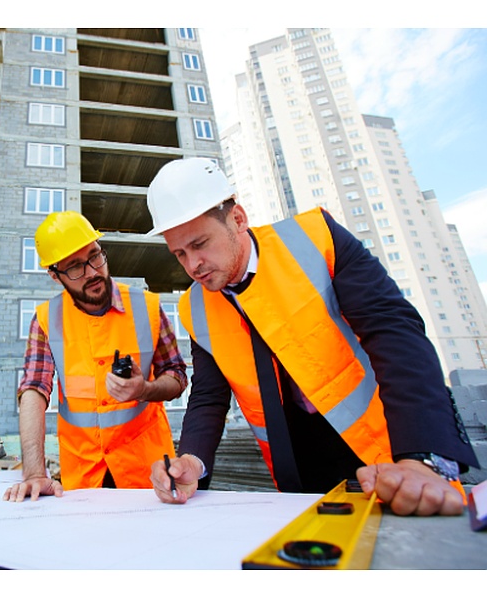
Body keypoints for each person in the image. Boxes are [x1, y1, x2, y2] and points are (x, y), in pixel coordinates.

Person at [145, 157, 479, 516]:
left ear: (238, 219)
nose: (192, 264)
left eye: (200, 244)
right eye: (179, 253)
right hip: (298, 470)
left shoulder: (316, 239)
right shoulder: (195, 307)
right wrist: (192, 461)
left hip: (388, 450)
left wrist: (421, 455)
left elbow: (394, 333)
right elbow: (209, 397)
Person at [3, 211, 188, 502]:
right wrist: (34, 473)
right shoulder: (46, 320)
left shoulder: (147, 307)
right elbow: (33, 391)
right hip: (84, 477)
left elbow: (176, 376)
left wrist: (145, 389)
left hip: (149, 474)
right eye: (75, 267)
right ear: (55, 275)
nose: (92, 272)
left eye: (95, 256)